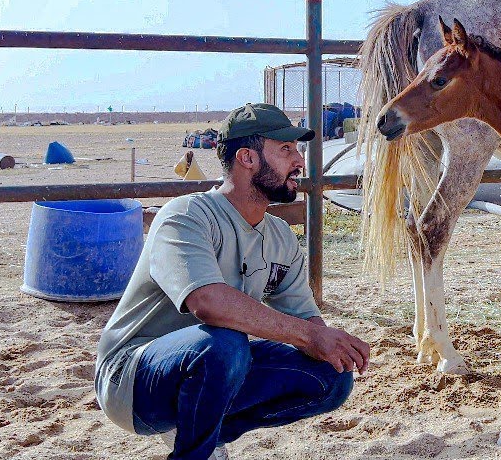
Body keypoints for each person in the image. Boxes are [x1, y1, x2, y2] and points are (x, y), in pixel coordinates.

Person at [96, 102, 371, 460]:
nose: (300, 161)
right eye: (286, 149)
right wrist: (311, 336)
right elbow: (207, 303)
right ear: (247, 158)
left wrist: (327, 343)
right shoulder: (187, 215)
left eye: (297, 149)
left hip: (214, 365)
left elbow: (306, 320)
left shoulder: (281, 237)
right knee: (224, 342)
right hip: (132, 381)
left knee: (330, 377)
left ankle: (203, 430)